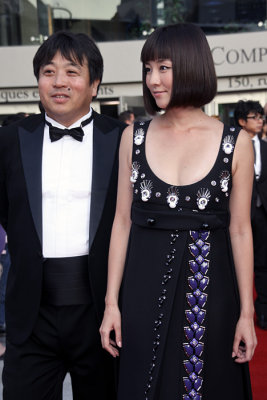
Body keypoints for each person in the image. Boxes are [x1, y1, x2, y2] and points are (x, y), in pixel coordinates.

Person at [100, 23, 257, 400]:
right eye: (148, 68)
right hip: (139, 292)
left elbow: (240, 230)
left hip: (211, 292)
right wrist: (111, 304)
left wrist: (246, 314)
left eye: (163, 67)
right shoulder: (133, 136)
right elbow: (121, 223)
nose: (153, 79)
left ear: (191, 66)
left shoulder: (236, 143)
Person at [0, 31, 125, 399]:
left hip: (100, 310)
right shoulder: (9, 140)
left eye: (72, 72)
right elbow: (8, 212)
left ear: (94, 84)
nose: (58, 82)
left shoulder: (122, 140)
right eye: (48, 71)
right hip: (31, 315)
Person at [234, 100, 267, 330]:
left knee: (264, 265)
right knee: (238, 263)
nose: (260, 121)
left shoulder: (266, 147)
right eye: (255, 117)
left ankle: (263, 312)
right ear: (241, 121)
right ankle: (237, 313)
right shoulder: (231, 146)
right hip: (238, 215)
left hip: (263, 213)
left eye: (261, 116)